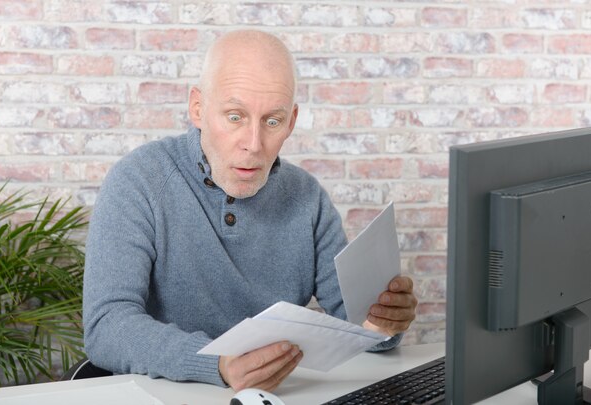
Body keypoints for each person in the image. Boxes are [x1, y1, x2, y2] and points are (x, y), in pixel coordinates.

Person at [83, 29, 418, 392]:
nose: (254, 144)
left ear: (291, 121)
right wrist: (218, 364)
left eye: (272, 121)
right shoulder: (139, 181)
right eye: (234, 117)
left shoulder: (307, 198)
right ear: (198, 108)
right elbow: (106, 325)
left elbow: (355, 327)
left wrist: (384, 324)